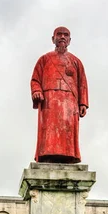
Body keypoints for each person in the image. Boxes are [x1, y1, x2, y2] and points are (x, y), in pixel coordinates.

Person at [31, 27, 88, 163]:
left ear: (69, 40)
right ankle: (47, 155)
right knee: (49, 131)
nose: (62, 37)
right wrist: (37, 91)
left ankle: (69, 156)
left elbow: (82, 84)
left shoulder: (76, 62)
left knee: (68, 131)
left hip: (70, 102)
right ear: (53, 39)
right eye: (59, 34)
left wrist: (83, 103)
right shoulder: (44, 59)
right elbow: (35, 79)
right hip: (50, 102)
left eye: (65, 35)